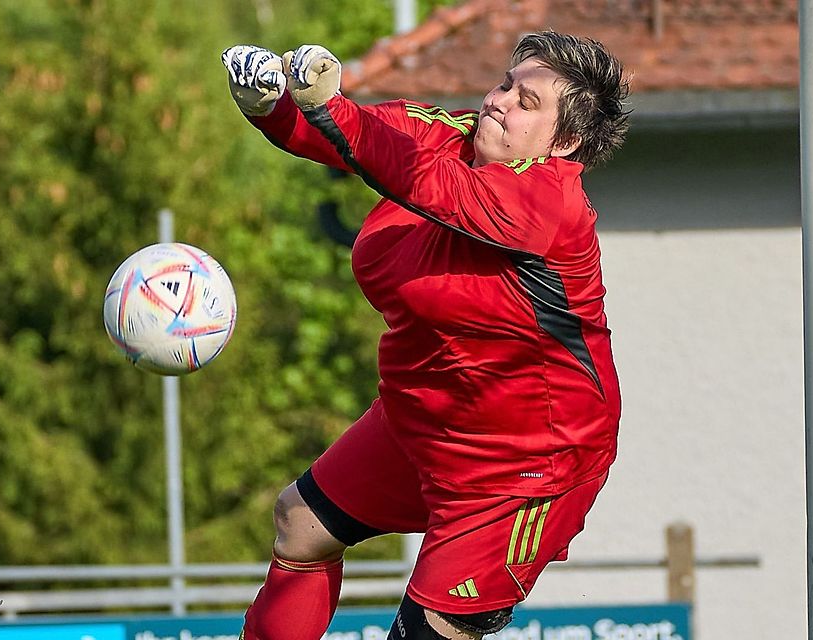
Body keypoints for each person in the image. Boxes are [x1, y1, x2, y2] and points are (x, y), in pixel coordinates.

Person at [221, 30, 630, 640]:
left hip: (524, 466)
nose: (500, 101)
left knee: (426, 632)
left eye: (528, 102)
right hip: (423, 415)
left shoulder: (551, 203)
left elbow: (410, 174)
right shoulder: (449, 137)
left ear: (563, 142)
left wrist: (325, 106)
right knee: (300, 526)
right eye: (506, 84)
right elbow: (356, 133)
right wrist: (272, 103)